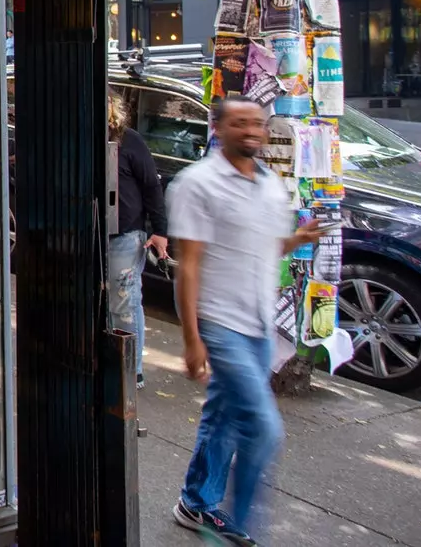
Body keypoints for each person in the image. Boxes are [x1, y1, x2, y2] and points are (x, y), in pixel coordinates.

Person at [169, 95, 323, 545]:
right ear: (218, 128)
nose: (252, 131)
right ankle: (238, 522)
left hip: (258, 324)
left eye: (257, 123)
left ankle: (194, 504)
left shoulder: (270, 185)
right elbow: (190, 265)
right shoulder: (197, 184)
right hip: (220, 322)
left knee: (225, 418)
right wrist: (192, 339)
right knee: (264, 425)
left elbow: (264, 249)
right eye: (240, 123)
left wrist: (296, 239)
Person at [105, 90, 168, 390]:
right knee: (111, 303)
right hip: (96, 233)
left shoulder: (129, 140)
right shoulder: (86, 137)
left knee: (125, 303)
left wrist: (159, 231)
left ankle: (133, 370)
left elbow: (152, 187)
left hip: (126, 234)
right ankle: (115, 362)